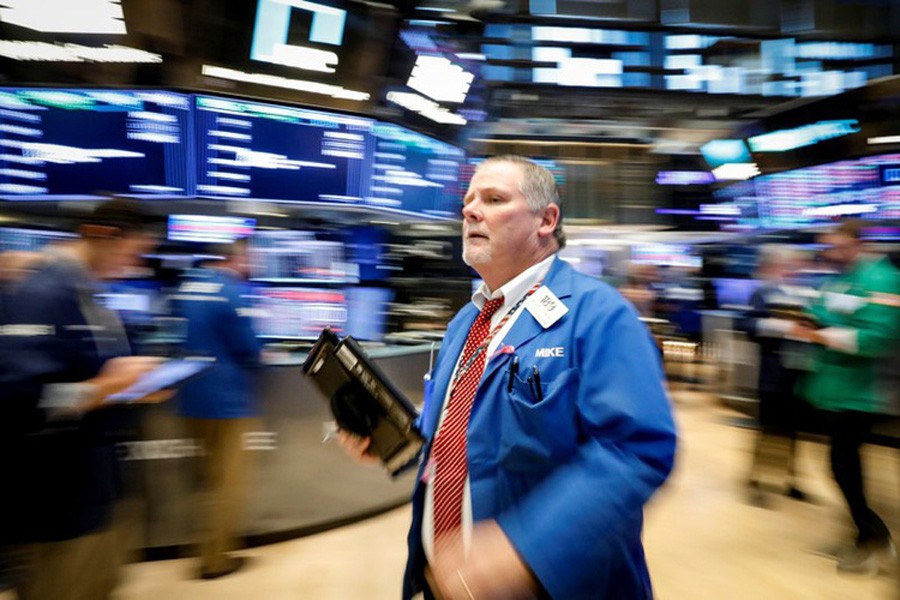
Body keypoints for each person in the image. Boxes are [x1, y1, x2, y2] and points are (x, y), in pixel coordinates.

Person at [341, 155, 677, 599]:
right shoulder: (468, 320)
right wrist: (397, 437)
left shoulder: (598, 313)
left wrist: (524, 548)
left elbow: (636, 450)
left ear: (546, 220)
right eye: (468, 201)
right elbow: (466, 425)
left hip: (551, 585)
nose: (470, 211)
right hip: (449, 581)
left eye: (494, 199)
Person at [0, 198, 165, 600]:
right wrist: (101, 389)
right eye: (135, 252)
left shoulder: (88, 293)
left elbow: (87, 375)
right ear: (106, 236)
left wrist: (133, 387)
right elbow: (19, 402)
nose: (136, 265)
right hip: (55, 503)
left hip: (94, 492)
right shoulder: (42, 291)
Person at [793, 219, 900, 575]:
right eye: (826, 247)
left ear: (857, 243)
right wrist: (807, 322)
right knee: (843, 466)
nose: (830, 253)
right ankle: (861, 534)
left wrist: (822, 336)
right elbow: (822, 312)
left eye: (836, 246)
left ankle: (875, 538)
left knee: (843, 465)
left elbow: (877, 339)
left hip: (864, 391)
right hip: (833, 389)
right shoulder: (837, 278)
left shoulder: (882, 279)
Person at [172, 237, 263, 579]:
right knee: (227, 484)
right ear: (236, 258)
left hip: (192, 397)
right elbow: (249, 348)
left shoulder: (185, 286)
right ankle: (215, 561)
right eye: (249, 258)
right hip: (227, 401)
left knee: (204, 481)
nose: (251, 266)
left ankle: (198, 549)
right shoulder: (230, 291)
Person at [738, 245, 813, 506]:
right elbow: (746, 325)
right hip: (772, 374)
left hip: (798, 373)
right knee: (767, 429)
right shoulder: (763, 293)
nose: (794, 270)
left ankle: (791, 479)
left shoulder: (805, 295)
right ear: (774, 267)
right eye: (789, 265)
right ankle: (756, 479)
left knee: (793, 431)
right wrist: (782, 327)